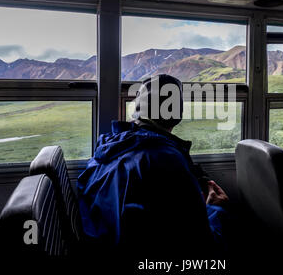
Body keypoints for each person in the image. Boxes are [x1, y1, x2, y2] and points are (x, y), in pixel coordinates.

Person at [77, 74, 230, 257]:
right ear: (177, 112)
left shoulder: (108, 145)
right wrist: (216, 209)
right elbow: (203, 248)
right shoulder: (167, 162)